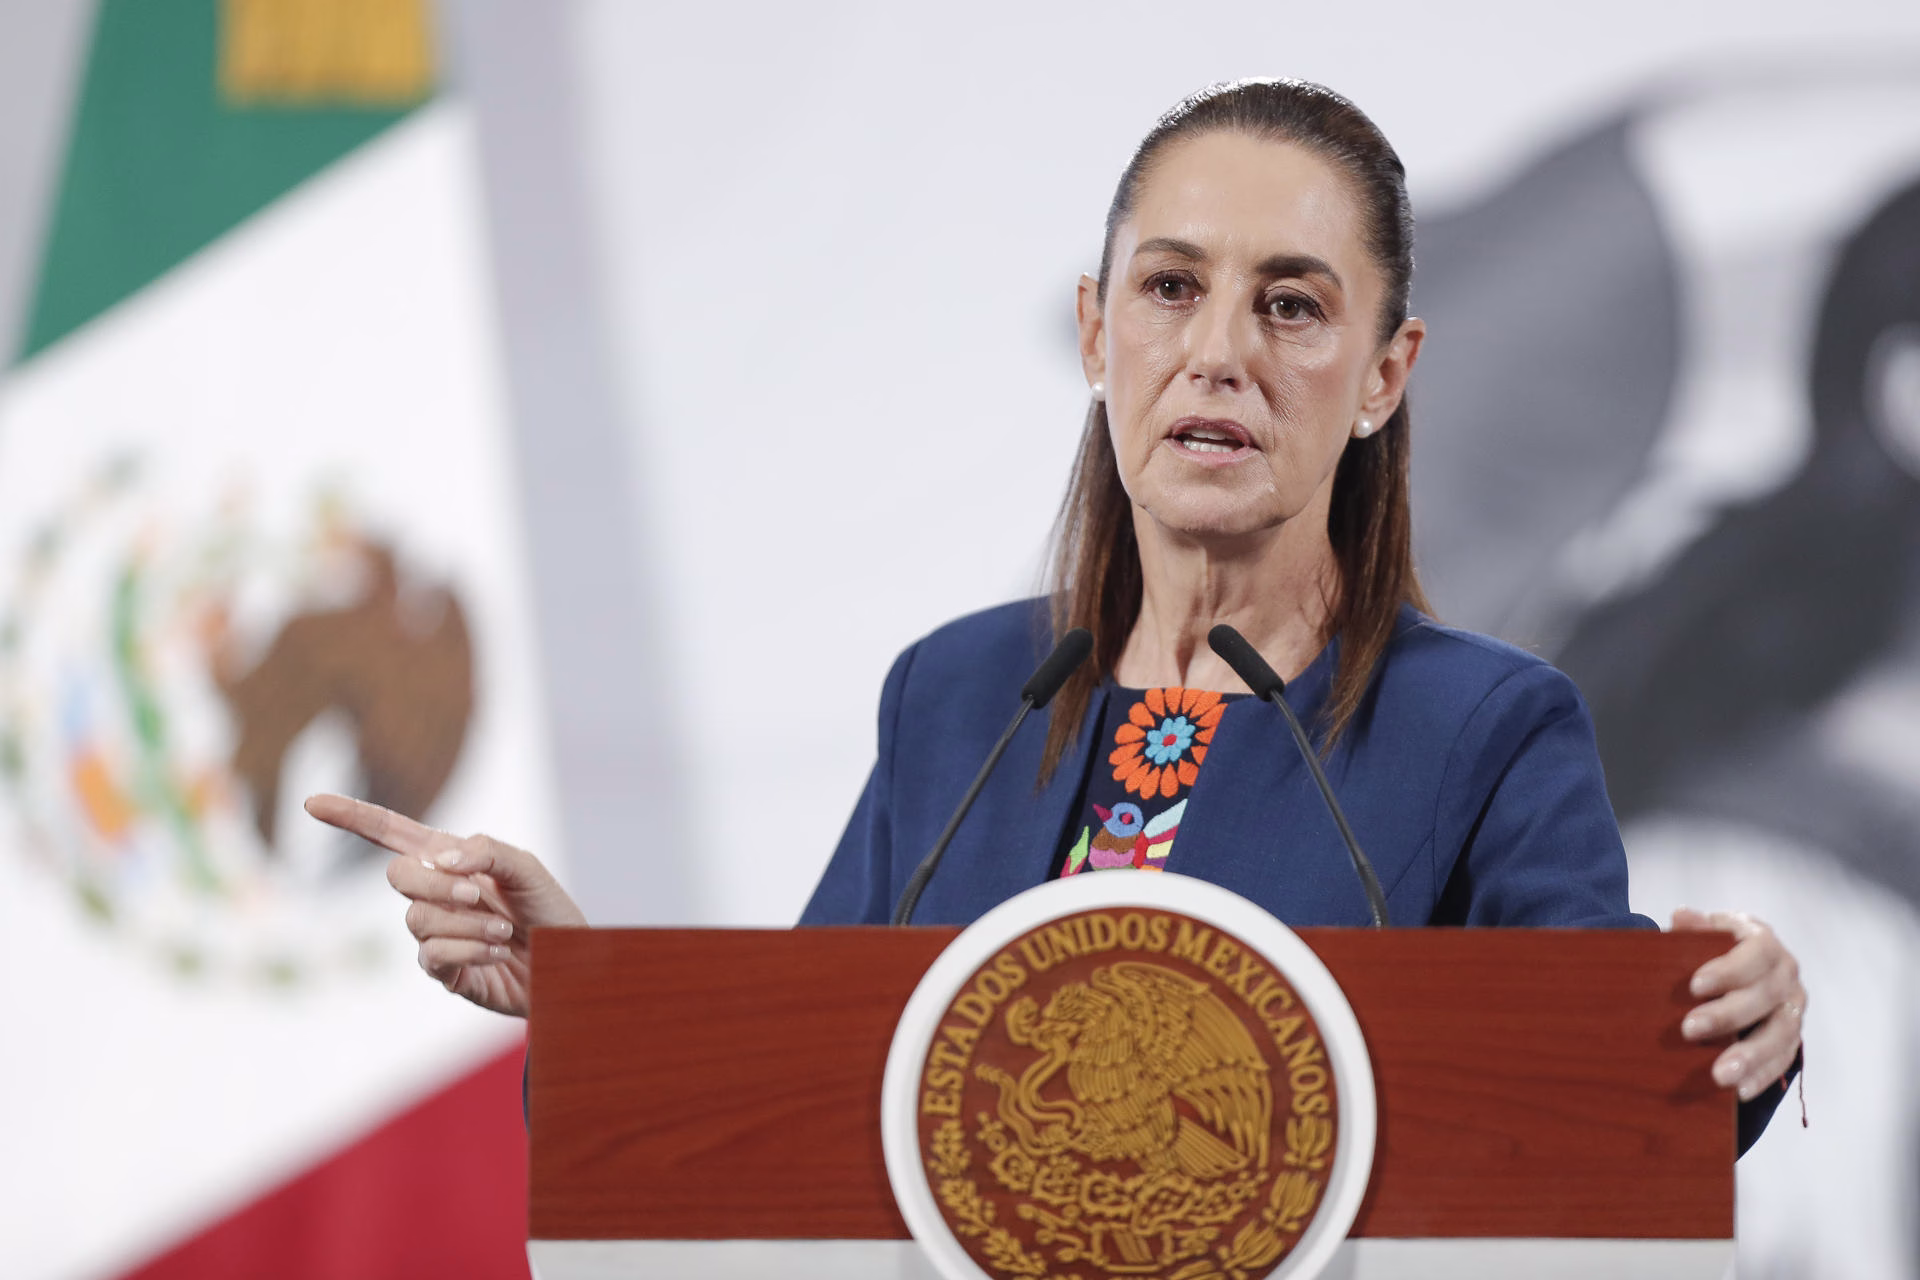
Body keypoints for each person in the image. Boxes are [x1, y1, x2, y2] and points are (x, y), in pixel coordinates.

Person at [305, 79, 1805, 1152]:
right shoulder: (963, 695)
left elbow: (1617, 1101)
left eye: (1291, 306)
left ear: (1386, 376)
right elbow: (801, 1096)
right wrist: (586, 995)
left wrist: (1742, 1027)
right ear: (1097, 333)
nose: (1219, 353)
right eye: (1169, 290)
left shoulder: (1486, 727)